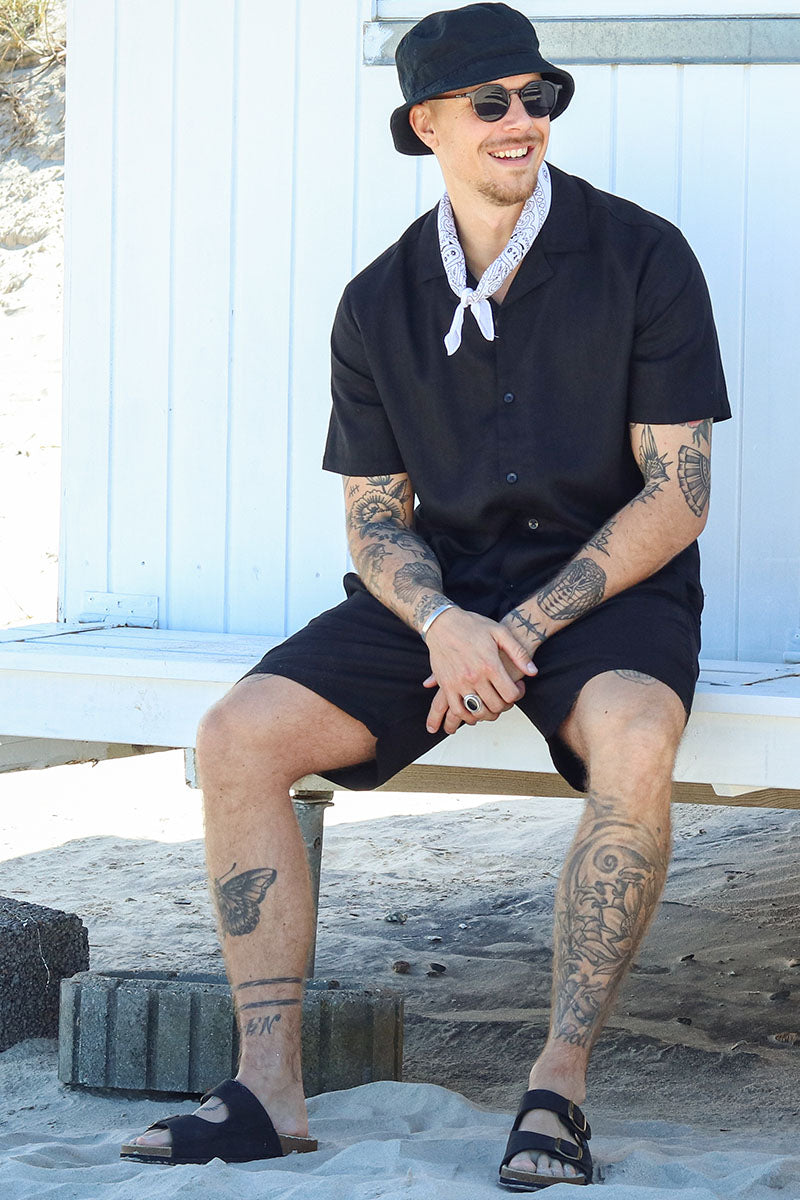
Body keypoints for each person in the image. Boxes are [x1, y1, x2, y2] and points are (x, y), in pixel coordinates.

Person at [121, 2, 731, 1189]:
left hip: (608, 590)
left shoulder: (641, 256)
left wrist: (513, 633)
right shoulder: (376, 300)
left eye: (538, 98)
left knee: (635, 737)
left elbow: (676, 495)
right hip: (440, 600)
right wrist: (446, 623)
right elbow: (372, 514)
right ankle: (266, 1092)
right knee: (237, 735)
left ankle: (556, 1088)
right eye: (490, 102)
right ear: (425, 125)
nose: (521, 121)